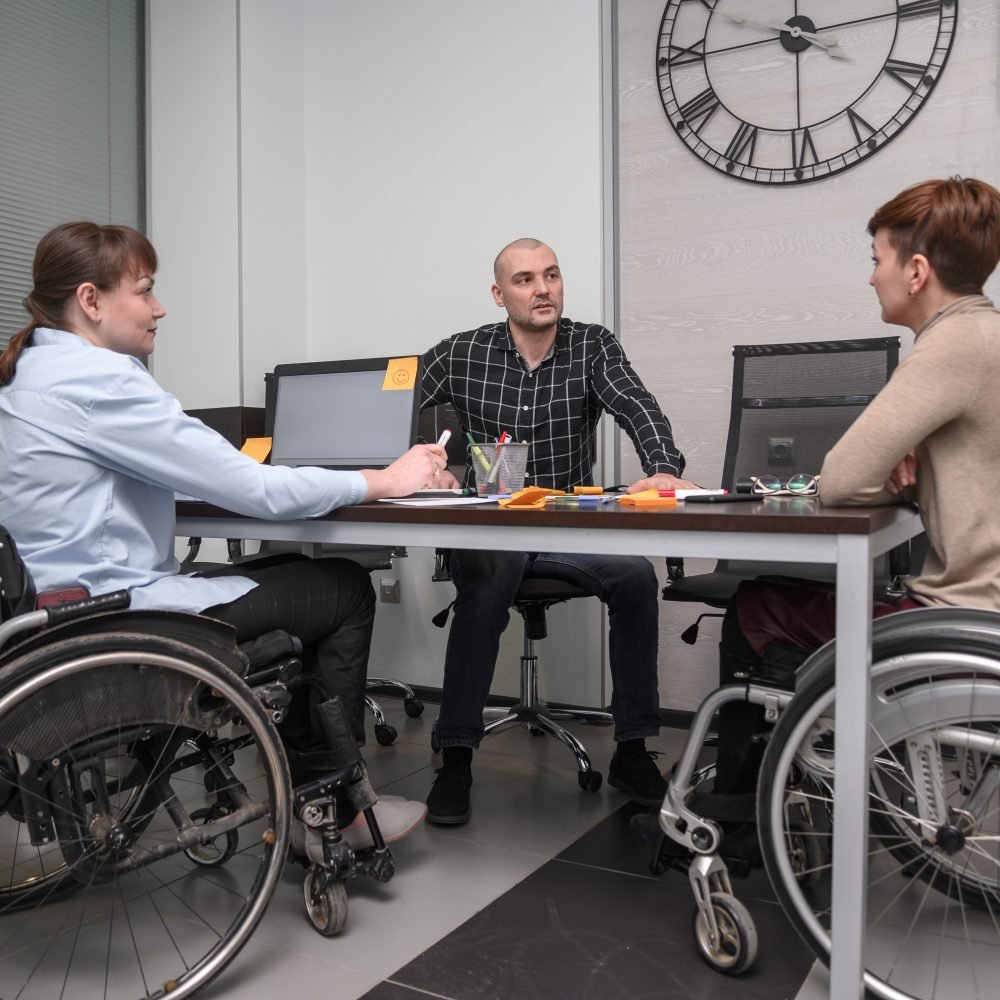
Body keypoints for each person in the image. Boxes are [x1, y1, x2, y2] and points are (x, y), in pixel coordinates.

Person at [0, 221, 450, 850]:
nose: (160, 308)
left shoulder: (27, 377)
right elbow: (259, 492)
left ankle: (312, 792)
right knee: (343, 586)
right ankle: (332, 810)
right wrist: (386, 478)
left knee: (288, 570)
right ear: (91, 301)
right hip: (114, 620)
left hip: (49, 623)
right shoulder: (104, 380)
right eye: (146, 290)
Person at [714, 176, 1000, 805]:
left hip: (964, 619)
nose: (873, 276)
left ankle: (739, 817)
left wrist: (894, 470)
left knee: (756, 606)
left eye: (878, 260)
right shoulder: (988, 336)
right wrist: (916, 460)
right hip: (989, 613)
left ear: (917, 270)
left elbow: (842, 481)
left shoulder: (951, 343)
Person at [419, 237, 698, 825]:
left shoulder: (591, 345)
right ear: (500, 294)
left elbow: (637, 405)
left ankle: (631, 749)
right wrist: (427, 464)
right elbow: (399, 404)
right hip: (488, 528)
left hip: (563, 526)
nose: (542, 289)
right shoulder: (461, 353)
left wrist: (663, 466)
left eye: (551, 275)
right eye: (524, 280)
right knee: (490, 575)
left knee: (633, 576)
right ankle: (457, 757)